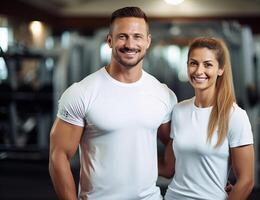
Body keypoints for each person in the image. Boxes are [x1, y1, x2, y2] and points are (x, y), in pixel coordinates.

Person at [48, 7, 177, 200]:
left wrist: (165, 168)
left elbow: (174, 142)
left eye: (137, 36)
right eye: (122, 36)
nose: (130, 43)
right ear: (110, 40)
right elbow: (58, 157)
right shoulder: (82, 93)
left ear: (148, 41)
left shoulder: (163, 93)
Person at [159, 37, 255, 200]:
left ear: (220, 69)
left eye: (208, 64)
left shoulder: (235, 116)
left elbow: (246, 181)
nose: (198, 71)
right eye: (193, 63)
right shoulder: (179, 110)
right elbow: (169, 168)